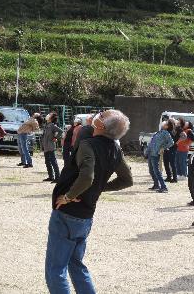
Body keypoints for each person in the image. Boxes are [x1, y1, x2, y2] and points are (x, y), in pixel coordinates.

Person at [45, 110, 133, 294]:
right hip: (86, 215)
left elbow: (87, 177)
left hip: (67, 212)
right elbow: (127, 180)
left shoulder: (87, 144)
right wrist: (100, 188)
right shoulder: (116, 149)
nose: (97, 116)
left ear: (101, 125)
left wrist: (69, 195)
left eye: (101, 115)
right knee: (76, 264)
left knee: (55, 268)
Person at [146, 121, 174, 193]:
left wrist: (163, 148)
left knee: (156, 171)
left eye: (165, 123)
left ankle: (164, 187)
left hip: (155, 153)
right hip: (151, 152)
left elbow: (171, 143)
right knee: (151, 171)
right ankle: (156, 185)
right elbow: (152, 142)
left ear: (167, 126)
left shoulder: (166, 133)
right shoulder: (159, 132)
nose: (163, 123)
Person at [42, 113, 63, 183]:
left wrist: (55, 137)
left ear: (51, 118)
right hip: (46, 146)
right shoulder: (46, 125)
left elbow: (60, 131)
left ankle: (57, 177)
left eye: (49, 115)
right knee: (47, 162)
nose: (47, 115)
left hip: (50, 146)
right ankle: (51, 176)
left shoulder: (53, 126)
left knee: (53, 162)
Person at [163, 119, 178, 183]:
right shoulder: (166, 131)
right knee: (166, 163)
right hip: (166, 149)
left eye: (166, 124)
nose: (165, 124)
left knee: (172, 164)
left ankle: (175, 178)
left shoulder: (173, 131)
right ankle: (169, 177)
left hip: (172, 149)